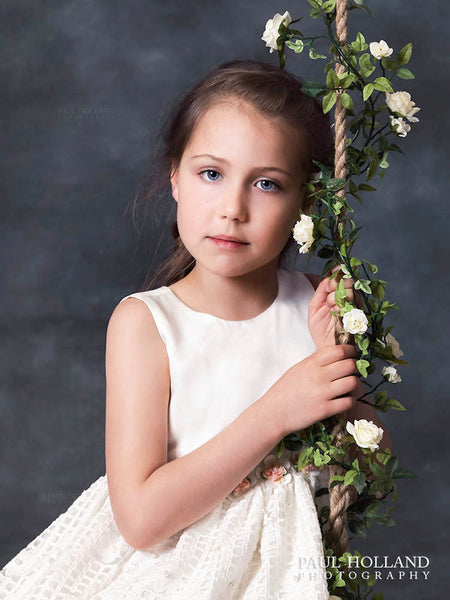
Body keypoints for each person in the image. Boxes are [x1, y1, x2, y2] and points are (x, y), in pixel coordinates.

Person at [0, 59, 392, 600]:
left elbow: (374, 471)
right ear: (175, 179)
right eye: (212, 174)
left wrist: (340, 390)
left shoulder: (318, 306)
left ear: (305, 202)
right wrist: (278, 410)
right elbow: (140, 520)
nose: (232, 209)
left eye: (267, 184)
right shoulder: (147, 324)